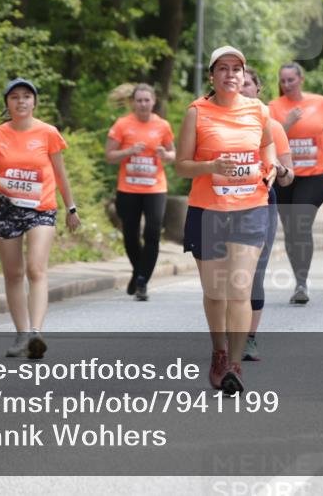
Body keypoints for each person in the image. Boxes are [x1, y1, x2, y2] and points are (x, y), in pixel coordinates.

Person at [176, 46, 277, 395]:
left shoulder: (258, 110)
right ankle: (218, 350)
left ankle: (234, 365)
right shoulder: (196, 113)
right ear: (212, 75)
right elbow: (181, 165)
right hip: (209, 210)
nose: (231, 74)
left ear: (243, 74)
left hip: (251, 207)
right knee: (214, 291)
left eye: (237, 69)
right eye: (223, 68)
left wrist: (272, 167)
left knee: (239, 289)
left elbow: (267, 146)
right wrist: (210, 167)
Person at [0, 79, 81, 359]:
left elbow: (60, 173)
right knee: (13, 273)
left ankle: (36, 331)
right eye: (14, 97)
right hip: (7, 208)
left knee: (36, 268)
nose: (21, 101)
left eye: (26, 96)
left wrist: (71, 208)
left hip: (41, 208)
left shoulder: (48, 133)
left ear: (34, 102)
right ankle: (22, 333)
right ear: (7, 103)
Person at [268, 62, 323, 305]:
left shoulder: (319, 102)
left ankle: (302, 282)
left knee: (300, 224)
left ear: (301, 79)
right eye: (283, 81)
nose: (287, 84)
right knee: (291, 231)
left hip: (314, 176)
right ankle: (299, 279)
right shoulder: (273, 107)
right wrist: (287, 123)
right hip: (284, 176)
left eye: (291, 79)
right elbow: (267, 139)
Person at [239, 67, 294, 361]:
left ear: (258, 89)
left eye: (248, 83)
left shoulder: (273, 126)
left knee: (254, 272)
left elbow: (288, 176)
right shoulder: (218, 124)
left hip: (261, 202)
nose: (242, 87)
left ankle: (248, 338)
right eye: (239, 83)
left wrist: (280, 170)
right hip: (223, 203)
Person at [105, 84, 176, 300]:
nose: (143, 104)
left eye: (147, 100)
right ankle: (138, 272)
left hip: (155, 187)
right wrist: (128, 151)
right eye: (139, 100)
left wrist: (165, 154)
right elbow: (109, 155)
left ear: (154, 101)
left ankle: (142, 281)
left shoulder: (162, 125)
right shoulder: (122, 125)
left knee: (153, 231)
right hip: (128, 187)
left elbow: (174, 154)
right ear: (133, 103)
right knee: (130, 235)